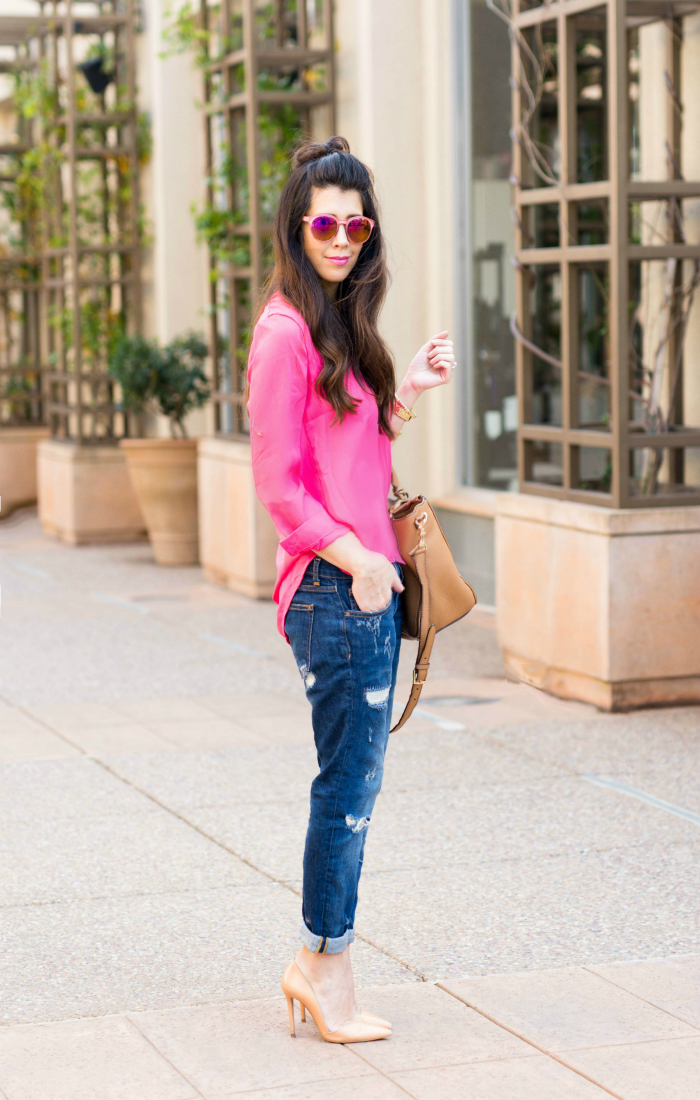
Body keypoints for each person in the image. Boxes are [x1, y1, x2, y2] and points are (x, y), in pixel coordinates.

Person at [247, 136, 455, 1043]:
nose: (341, 237)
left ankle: (321, 962)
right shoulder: (284, 332)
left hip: (362, 587)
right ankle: (324, 966)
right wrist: (361, 562)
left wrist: (402, 393)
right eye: (324, 222)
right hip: (336, 592)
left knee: (355, 781)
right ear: (297, 228)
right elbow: (280, 485)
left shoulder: (338, 326)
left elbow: (356, 459)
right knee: (348, 787)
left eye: (356, 222)